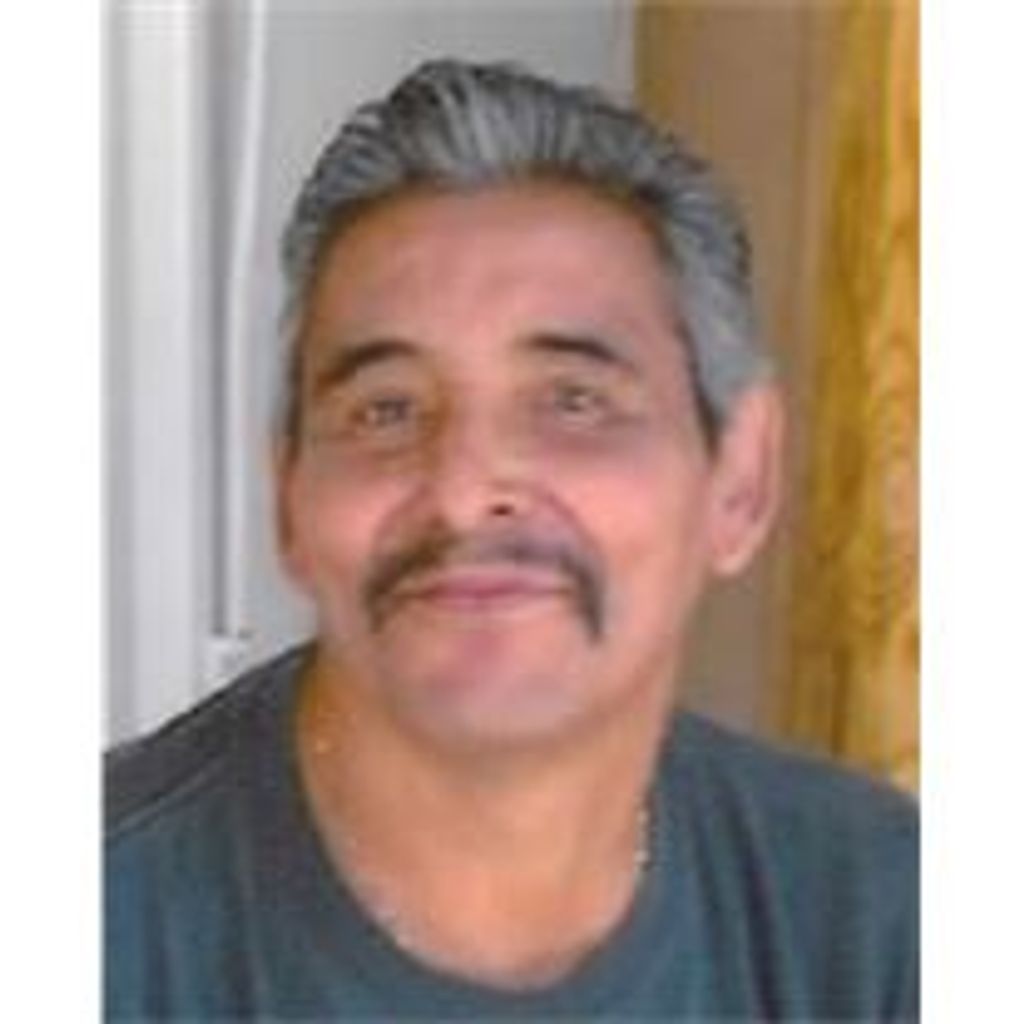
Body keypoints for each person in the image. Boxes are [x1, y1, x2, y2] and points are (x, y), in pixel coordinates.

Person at [105, 58, 918, 1020]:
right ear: (288, 498)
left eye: (572, 401)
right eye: (385, 410)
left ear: (739, 480)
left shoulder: (885, 921)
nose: (462, 493)